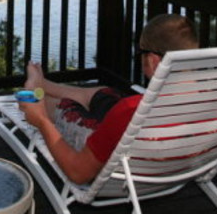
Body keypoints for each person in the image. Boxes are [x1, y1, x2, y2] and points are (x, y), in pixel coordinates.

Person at [18, 13, 199, 185]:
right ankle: (42, 83)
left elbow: (78, 172)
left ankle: (36, 92)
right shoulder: (216, 102)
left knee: (59, 106)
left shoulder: (130, 110)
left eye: (140, 53)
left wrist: (41, 121)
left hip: (110, 158)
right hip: (163, 154)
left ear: (153, 61)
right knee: (104, 94)